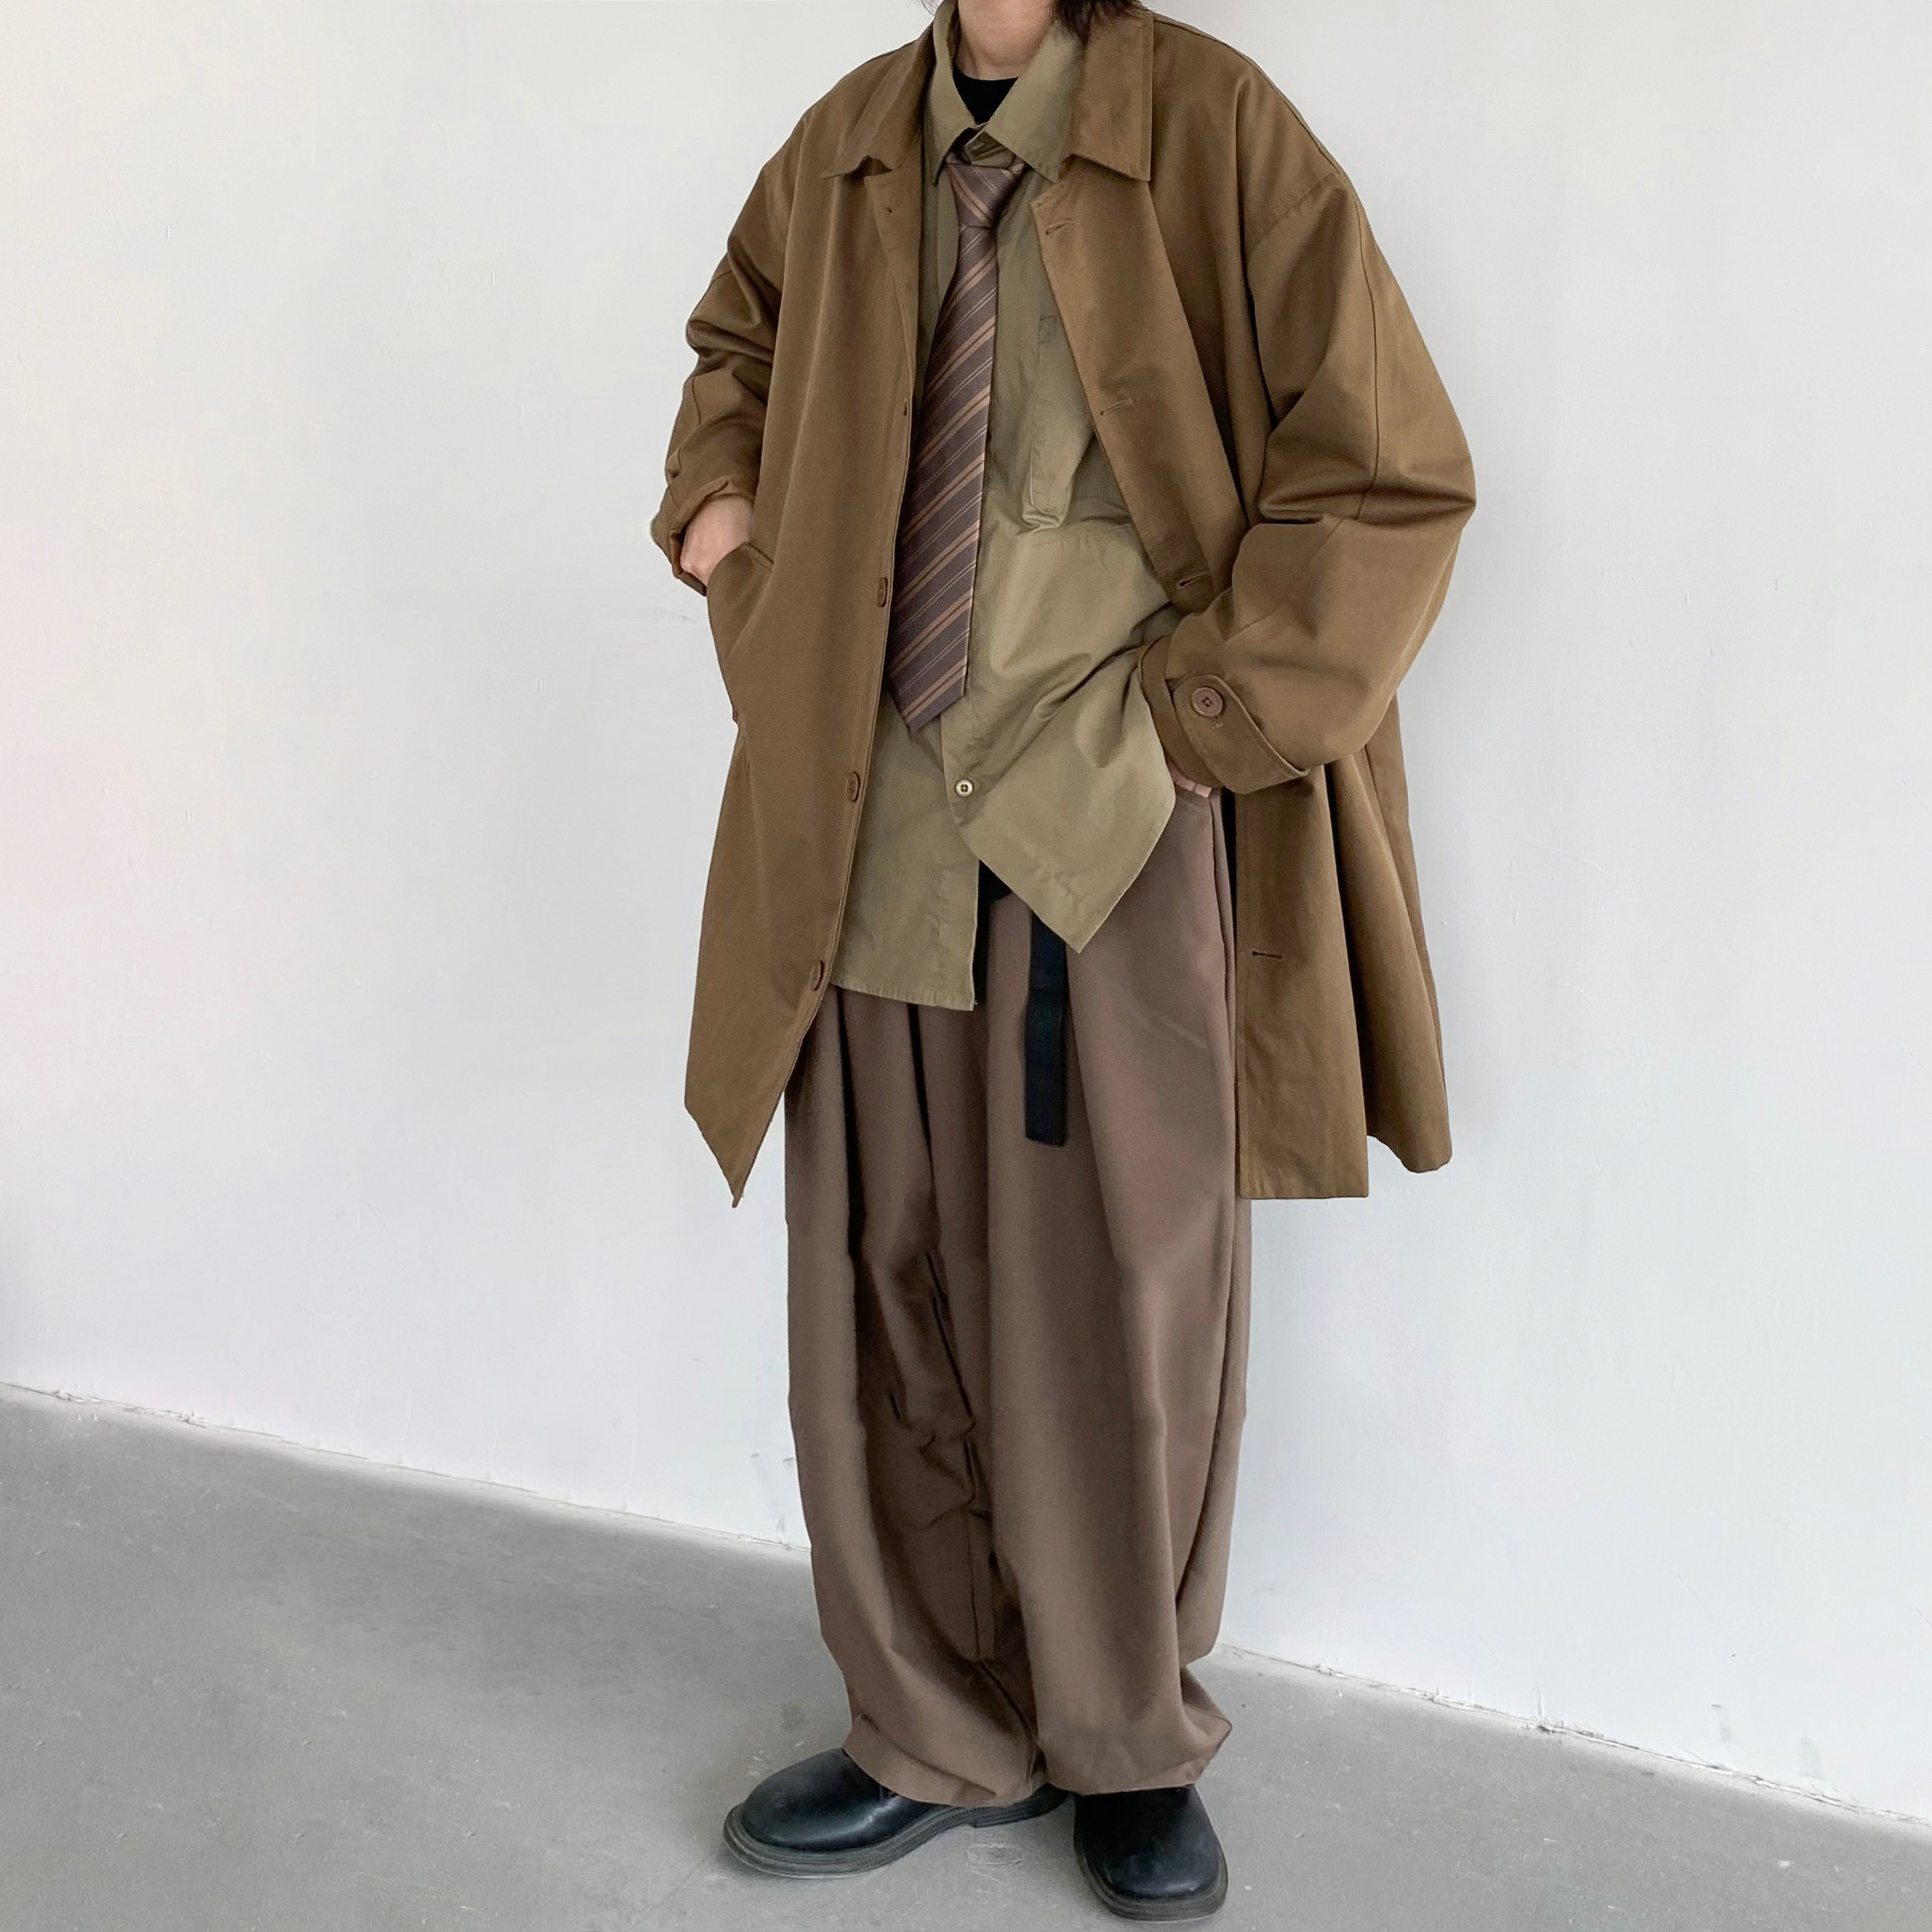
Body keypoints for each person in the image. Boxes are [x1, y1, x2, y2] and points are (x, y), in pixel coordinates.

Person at [651, 0, 1474, 1917]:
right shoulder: (848, 145)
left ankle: (1123, 1737)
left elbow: (1384, 475)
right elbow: (732, 349)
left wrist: (1189, 723)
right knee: (882, 1278)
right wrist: (720, 523)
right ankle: (929, 1727)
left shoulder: (1217, 130)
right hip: (868, 812)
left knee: (1119, 1290)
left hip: (1108, 819)